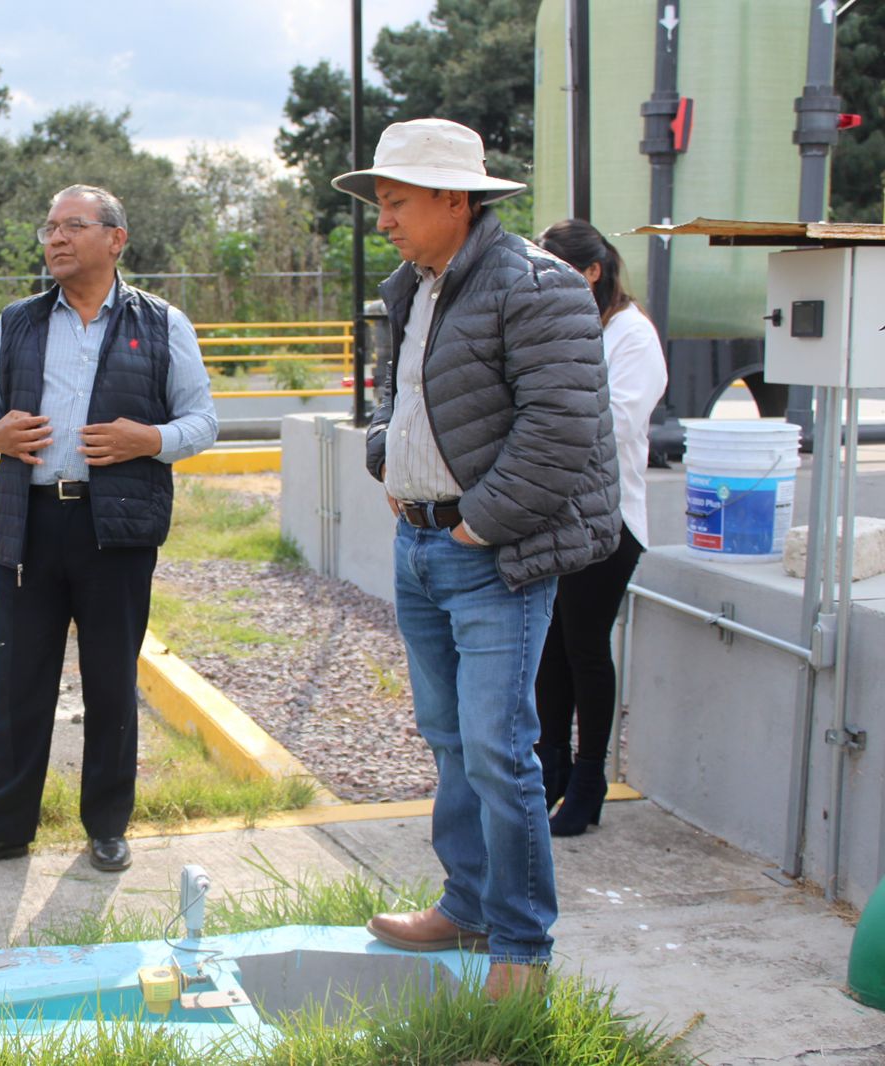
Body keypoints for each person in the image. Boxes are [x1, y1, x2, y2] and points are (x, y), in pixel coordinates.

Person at [331, 119, 619, 998]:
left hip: (492, 553)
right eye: (379, 202)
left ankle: (522, 954)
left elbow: (561, 429)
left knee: (500, 750)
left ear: (456, 199)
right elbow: (398, 395)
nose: (383, 218)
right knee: (452, 741)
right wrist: (389, 460)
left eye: (397, 201)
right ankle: (466, 907)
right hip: (422, 542)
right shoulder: (412, 287)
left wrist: (474, 525)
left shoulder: (540, 287)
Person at [0, 185, 218, 877]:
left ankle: (107, 825)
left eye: (73, 226)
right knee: (18, 679)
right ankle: (3, 828)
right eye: (50, 228)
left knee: (111, 680)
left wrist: (145, 438)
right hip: (31, 524)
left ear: (116, 239)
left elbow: (202, 422)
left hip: (114, 531)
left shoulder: (162, 324)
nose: (55, 239)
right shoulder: (20, 322)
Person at [534, 219, 668, 837]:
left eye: (555, 265)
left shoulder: (631, 334)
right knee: (550, 651)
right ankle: (549, 772)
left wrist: (546, 418)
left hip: (610, 521)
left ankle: (590, 781)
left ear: (591, 272)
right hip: (555, 515)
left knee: (585, 647)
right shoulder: (564, 326)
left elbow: (612, 424)